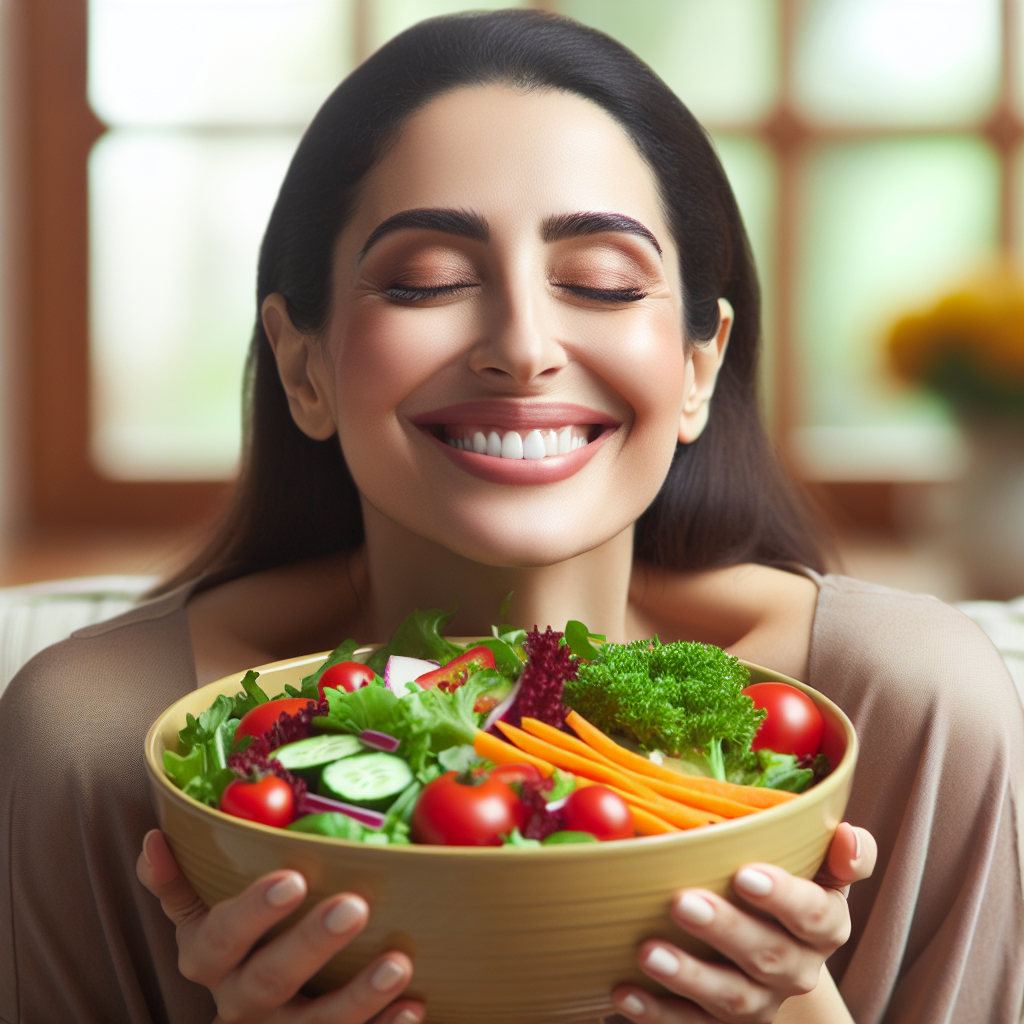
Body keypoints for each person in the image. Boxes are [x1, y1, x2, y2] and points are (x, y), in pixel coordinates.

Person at [0, 10, 1020, 1023]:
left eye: (602, 284)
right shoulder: (98, 737)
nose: (522, 345)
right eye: (427, 280)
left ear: (698, 366)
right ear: (303, 365)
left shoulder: (902, 705)